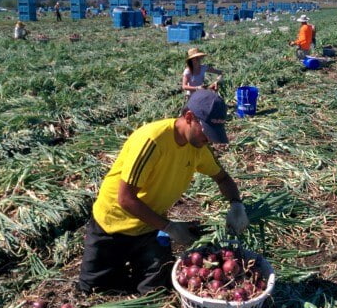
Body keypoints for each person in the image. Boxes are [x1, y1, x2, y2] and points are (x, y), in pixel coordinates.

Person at [78, 90, 249, 294]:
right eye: (206, 132)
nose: (209, 139)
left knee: (156, 290)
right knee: (94, 290)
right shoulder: (153, 141)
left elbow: (222, 178)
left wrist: (236, 204)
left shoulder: (197, 147)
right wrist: (170, 227)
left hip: (149, 226)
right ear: (189, 117)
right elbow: (125, 198)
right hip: (113, 225)